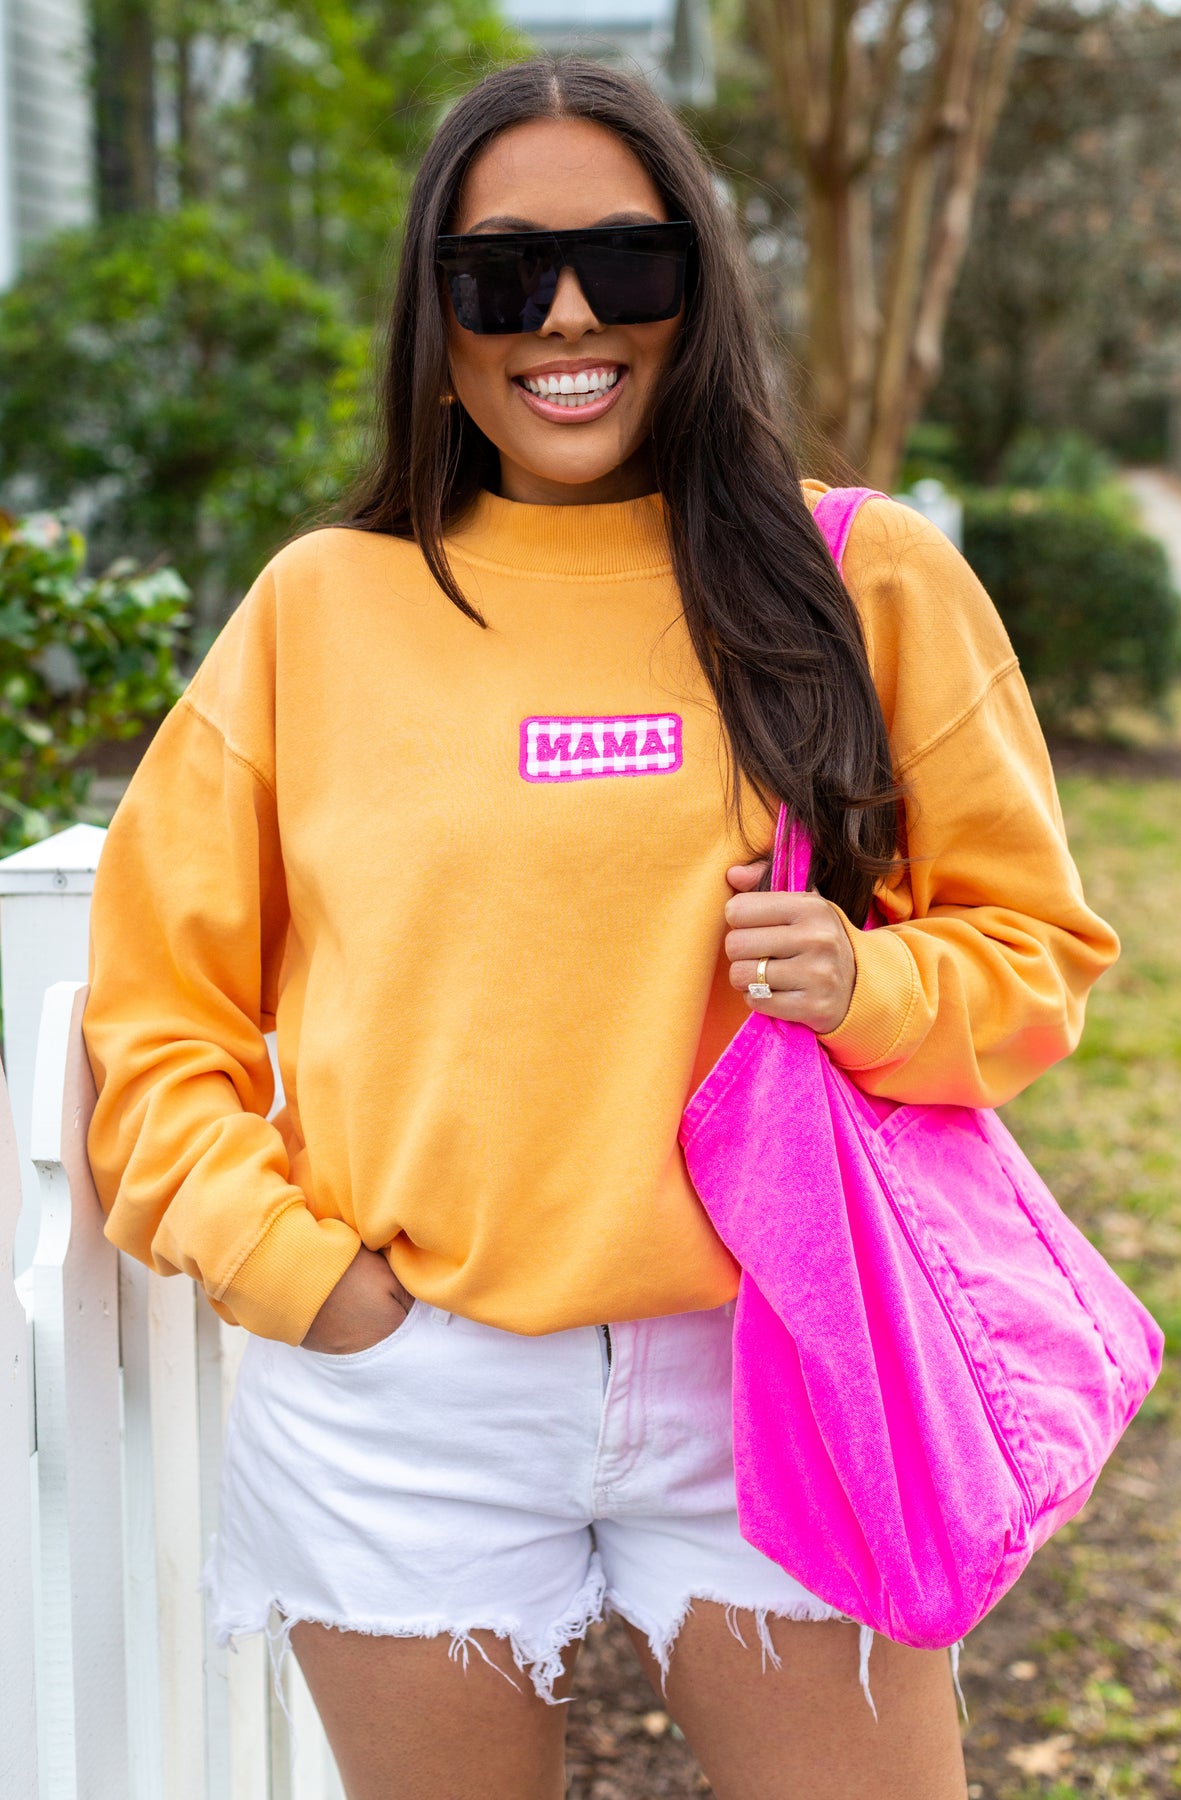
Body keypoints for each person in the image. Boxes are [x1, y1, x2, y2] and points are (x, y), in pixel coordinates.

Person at [82, 55, 1119, 1800]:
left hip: (782, 1359)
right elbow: (153, 1018)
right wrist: (299, 1276)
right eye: (501, 276)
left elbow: (1038, 958)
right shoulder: (318, 612)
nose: (567, 315)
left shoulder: (862, 578)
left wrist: (867, 982)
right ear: (437, 320)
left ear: (698, 291)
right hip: (412, 1390)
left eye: (627, 261)